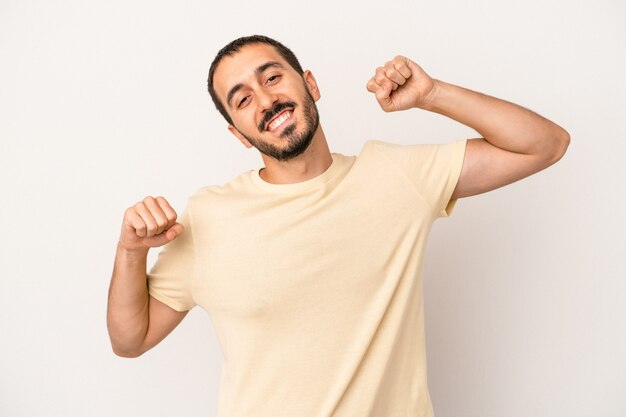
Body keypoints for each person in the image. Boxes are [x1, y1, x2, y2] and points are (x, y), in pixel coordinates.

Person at [107, 35, 569, 416]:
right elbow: (130, 339)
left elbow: (544, 145)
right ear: (237, 132)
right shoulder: (209, 217)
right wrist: (131, 251)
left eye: (272, 78)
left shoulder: (397, 176)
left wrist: (432, 94)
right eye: (243, 99)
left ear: (310, 83)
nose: (266, 100)